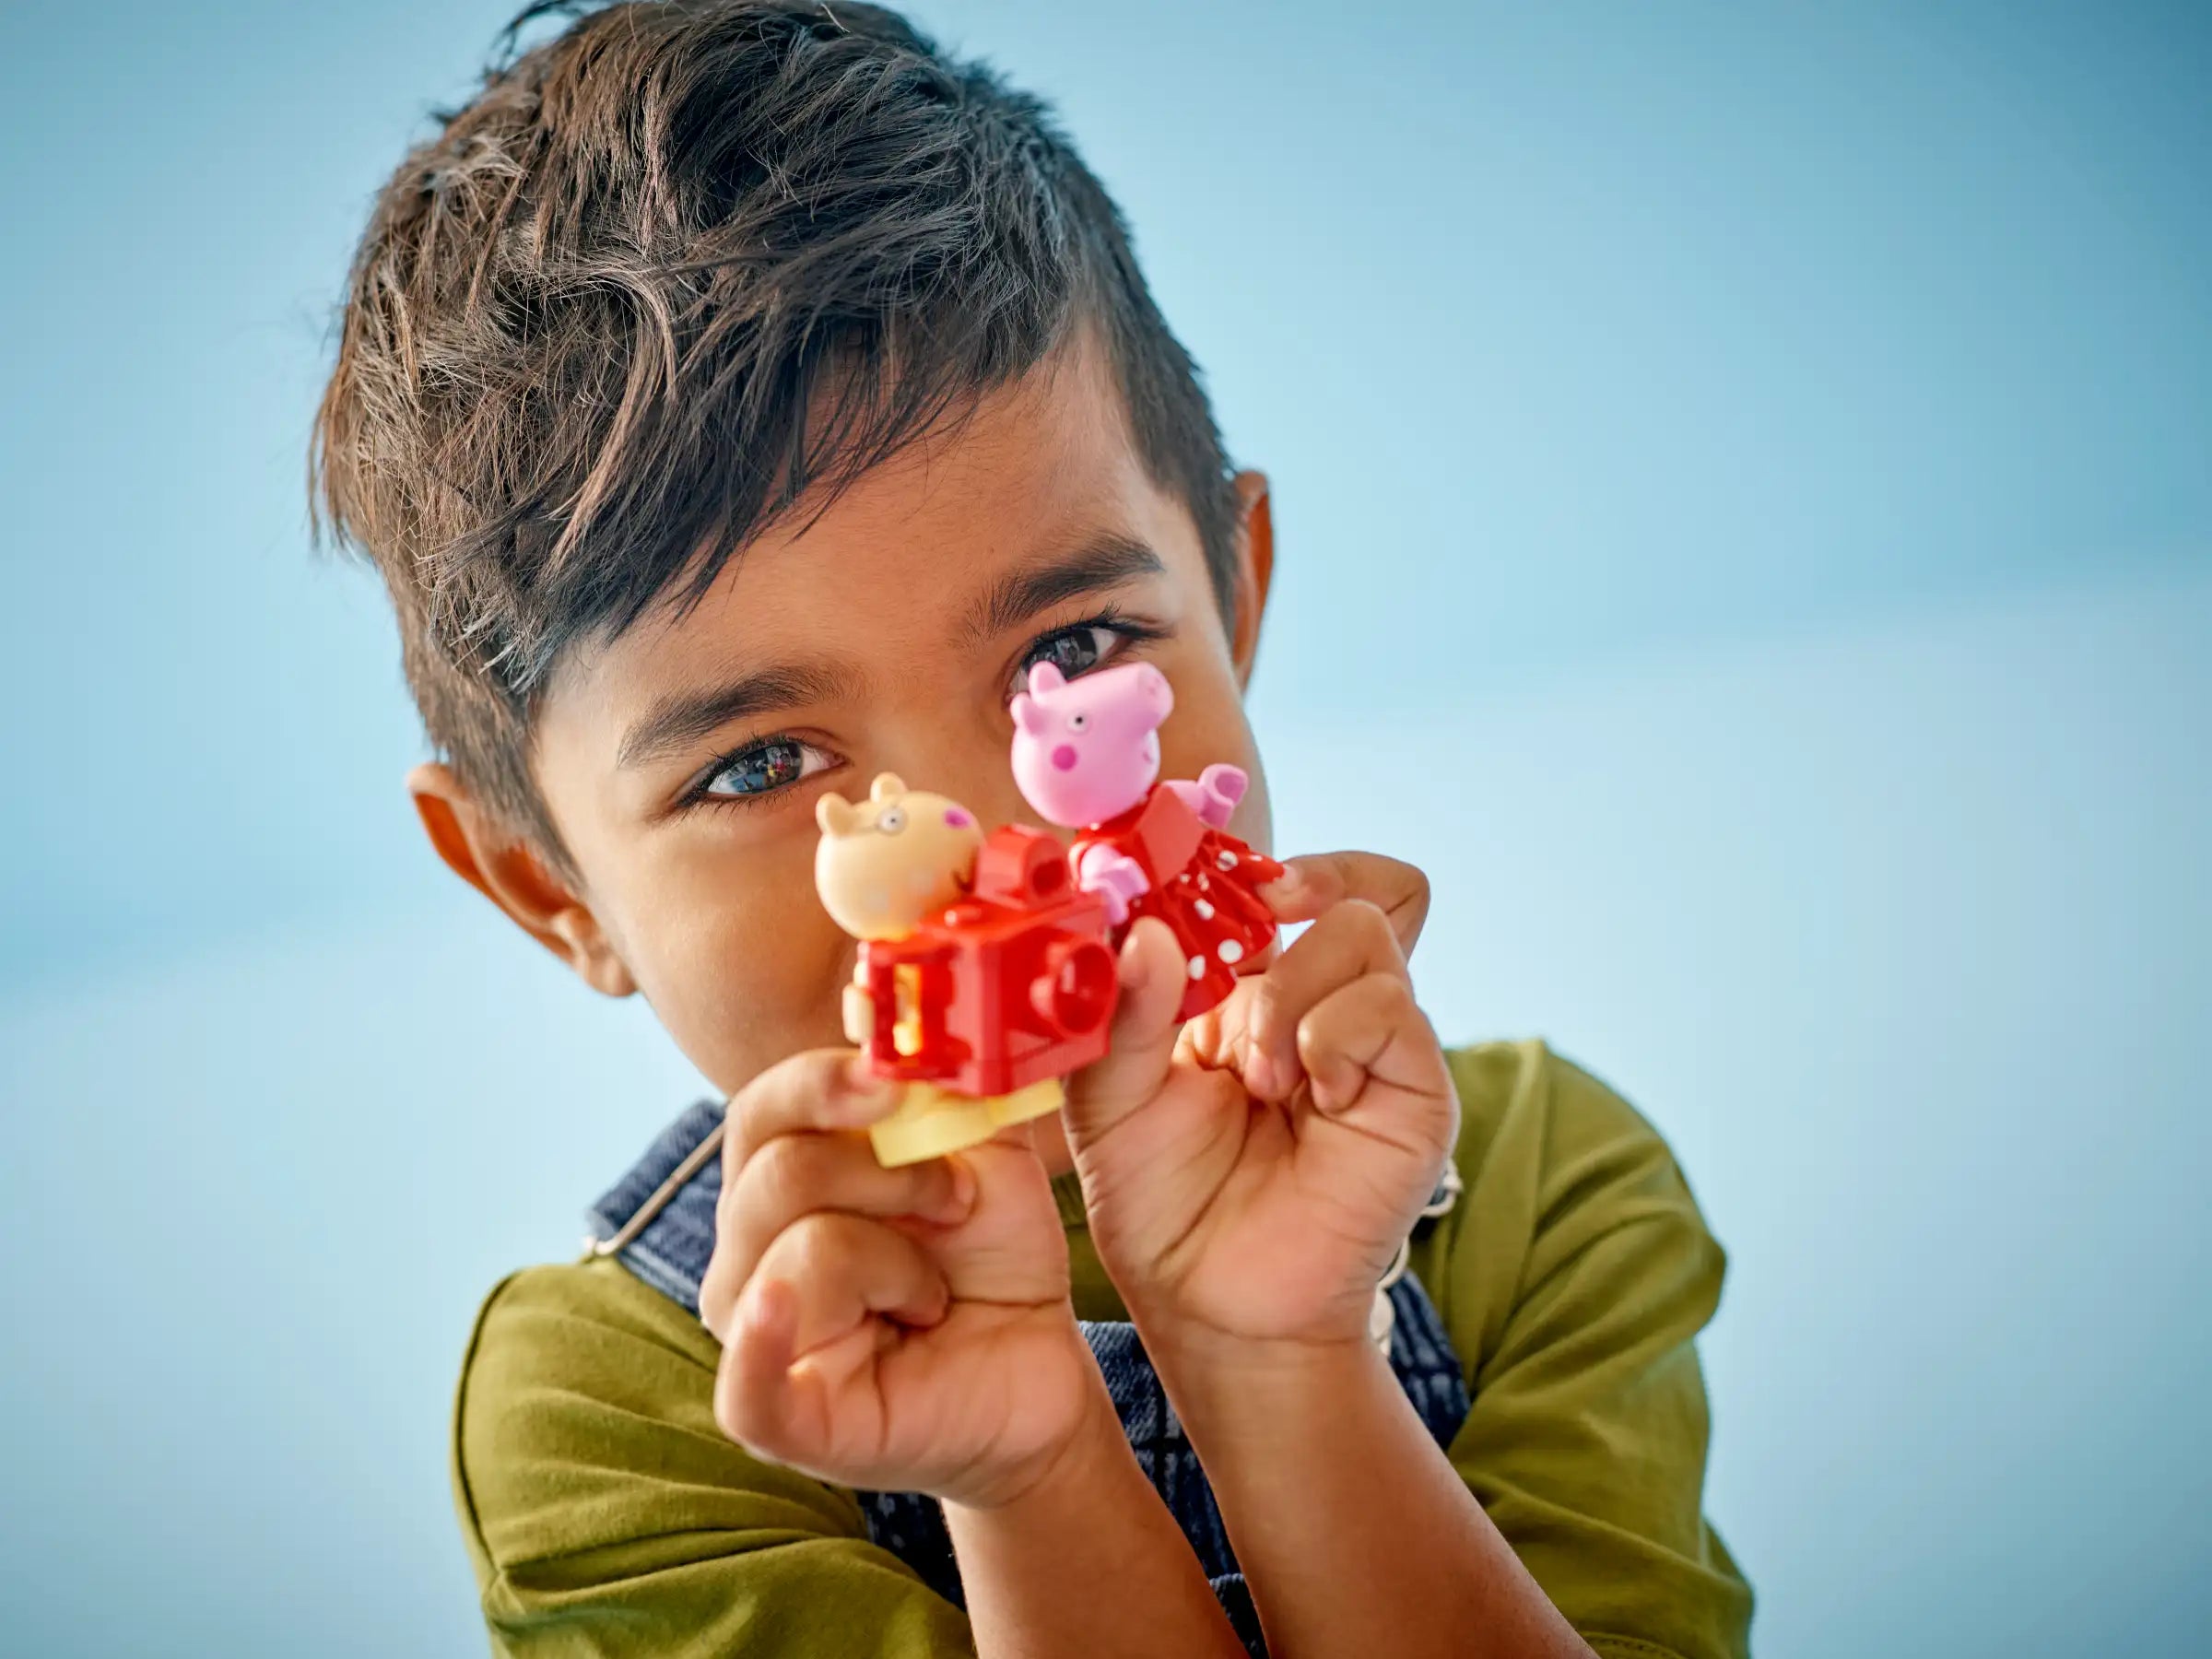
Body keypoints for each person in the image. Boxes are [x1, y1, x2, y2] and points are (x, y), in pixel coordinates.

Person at [311, 4, 1756, 1654]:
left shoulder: (1538, 1190)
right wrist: (1030, 1478)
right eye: (757, 763)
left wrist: (1287, 1366)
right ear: (542, 887)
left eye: (1072, 653)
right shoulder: (608, 1417)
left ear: (1238, 590)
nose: (998, 842)